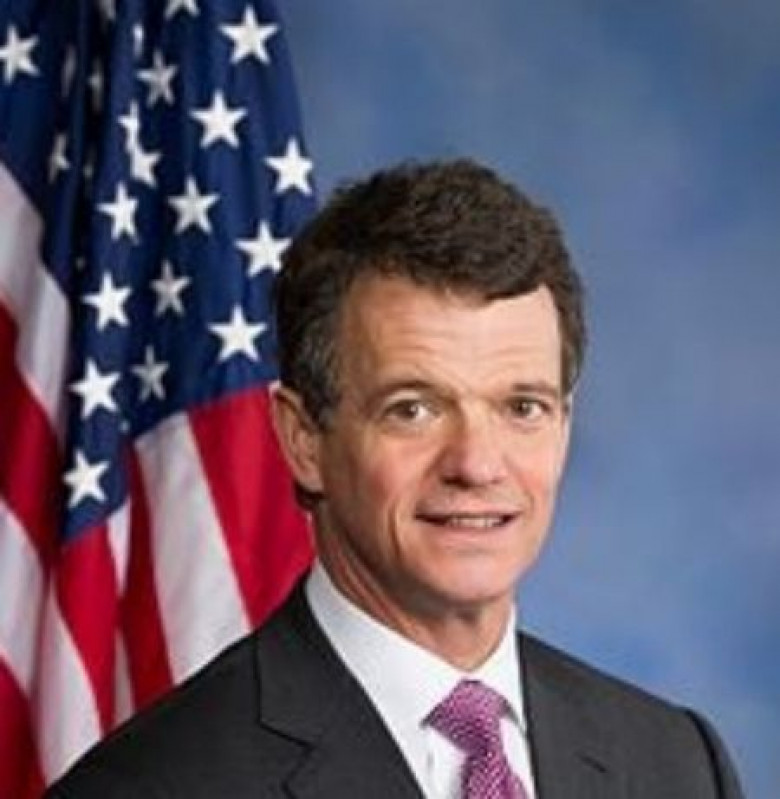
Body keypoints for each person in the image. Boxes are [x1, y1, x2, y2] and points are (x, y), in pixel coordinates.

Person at [47, 160, 744, 798]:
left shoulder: (677, 763)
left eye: (522, 407)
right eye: (413, 409)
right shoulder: (148, 788)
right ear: (303, 438)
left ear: (563, 424)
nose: (477, 464)